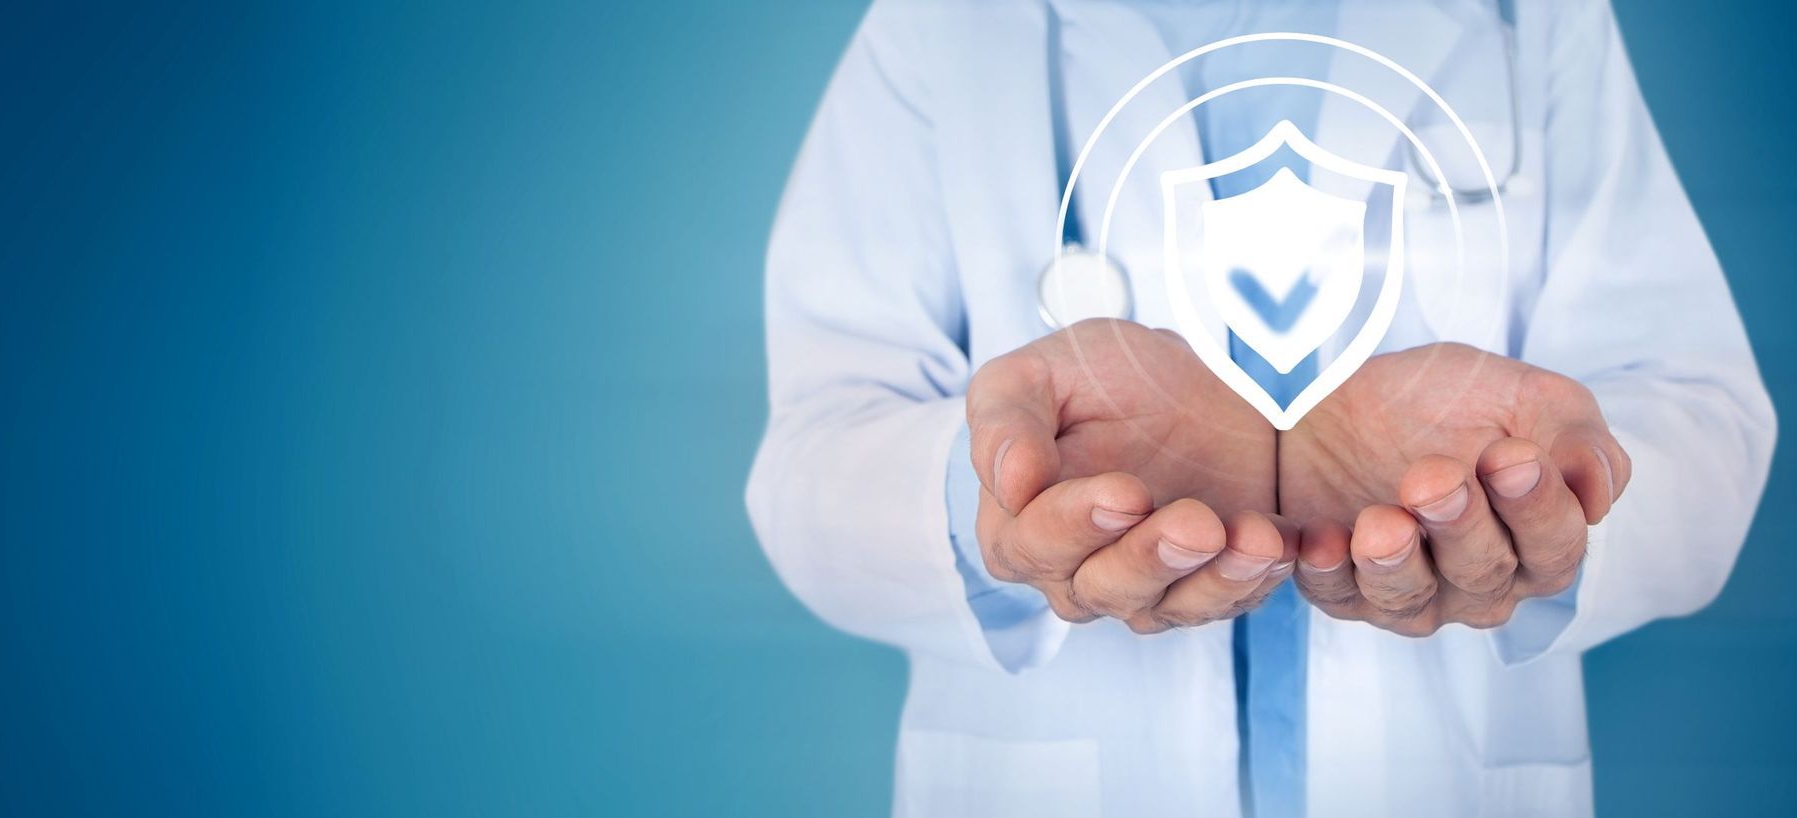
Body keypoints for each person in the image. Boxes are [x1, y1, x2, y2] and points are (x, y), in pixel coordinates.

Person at [745, 1, 1775, 816]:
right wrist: (995, 497)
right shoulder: (944, 24)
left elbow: (1699, 418)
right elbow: (812, 452)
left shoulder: (1532, 16)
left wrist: (1542, 499)